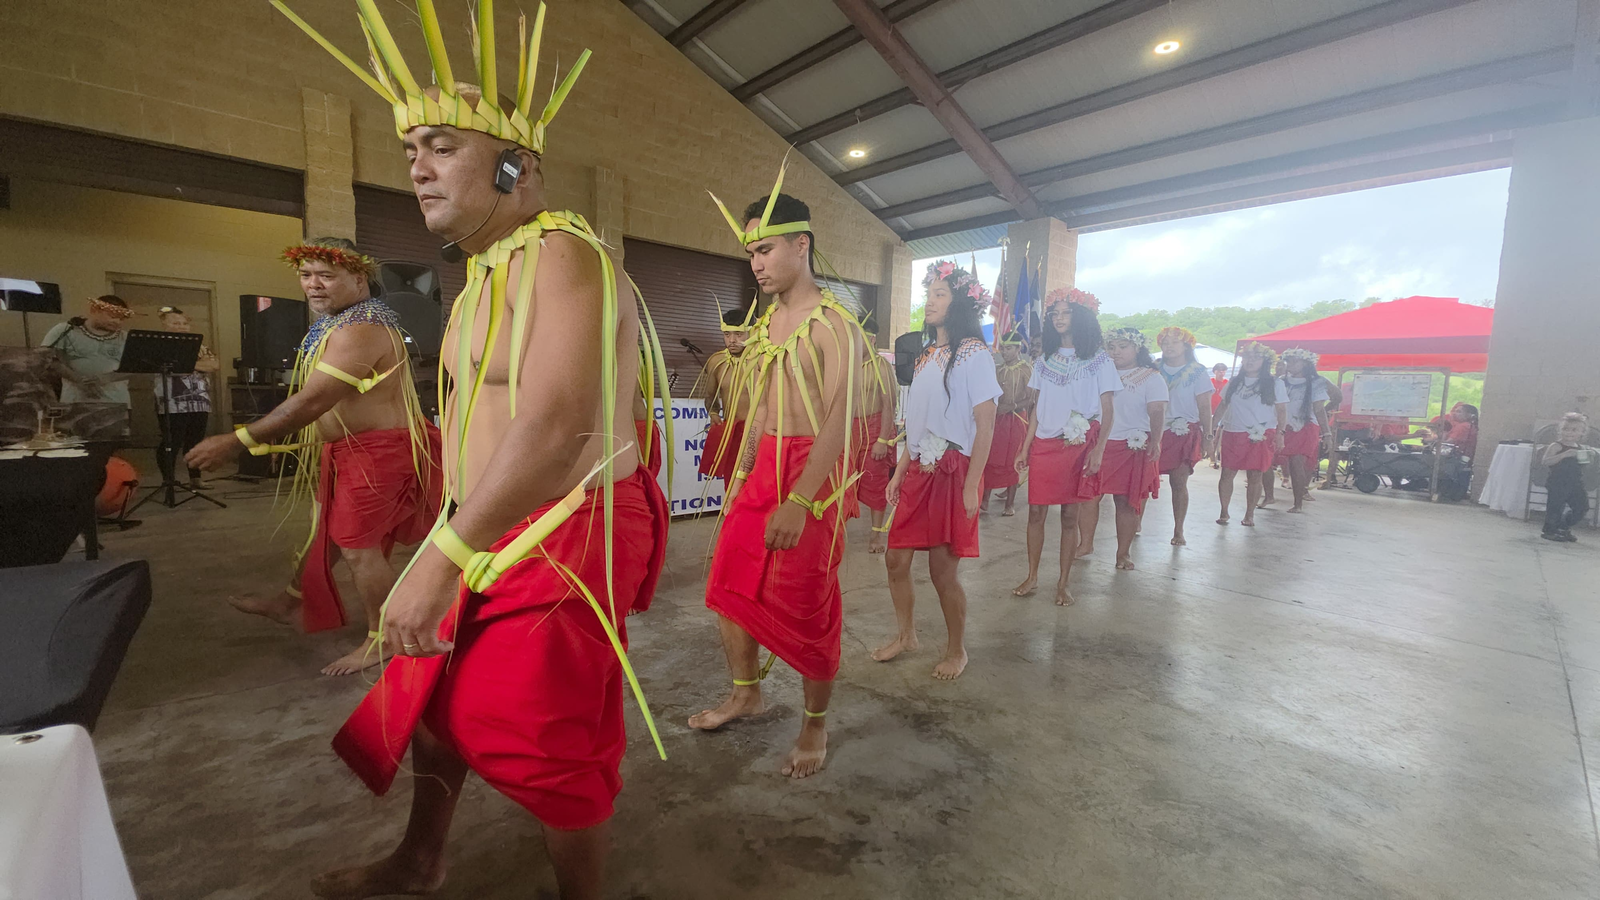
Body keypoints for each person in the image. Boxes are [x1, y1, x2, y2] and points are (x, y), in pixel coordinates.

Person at [270, 4, 672, 896]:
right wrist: (451, 530)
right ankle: (421, 858)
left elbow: (559, 424)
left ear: (515, 164)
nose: (417, 166)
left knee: (539, 735)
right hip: (494, 519)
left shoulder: (566, 256)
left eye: (442, 145)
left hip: (567, 524)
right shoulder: (488, 272)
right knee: (430, 691)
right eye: (411, 150)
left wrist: (441, 557)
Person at [188, 238, 443, 678]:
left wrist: (235, 441)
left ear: (358, 279)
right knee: (325, 536)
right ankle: (291, 604)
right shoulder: (338, 324)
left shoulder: (361, 329)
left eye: (326, 276)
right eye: (306, 275)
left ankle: (383, 638)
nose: (313, 285)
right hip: (345, 451)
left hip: (378, 453)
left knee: (359, 549)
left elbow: (310, 403)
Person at [691, 170, 867, 779]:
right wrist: (742, 472)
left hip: (810, 476)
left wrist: (799, 499)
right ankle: (747, 692)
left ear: (802, 245)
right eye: (750, 253)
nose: (757, 265)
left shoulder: (835, 326)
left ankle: (814, 724)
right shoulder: (767, 326)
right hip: (764, 465)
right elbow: (765, 403)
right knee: (727, 585)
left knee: (808, 599)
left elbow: (841, 417)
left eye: (765, 249)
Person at [874, 260, 1000, 680]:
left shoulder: (975, 354)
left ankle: (956, 650)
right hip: (919, 468)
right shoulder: (927, 354)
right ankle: (906, 634)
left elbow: (987, 424)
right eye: (929, 294)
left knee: (942, 572)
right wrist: (899, 471)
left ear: (961, 303)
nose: (929, 302)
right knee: (895, 559)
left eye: (940, 295)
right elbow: (917, 420)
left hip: (953, 470)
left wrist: (971, 485)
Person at [1012, 288, 1119, 606]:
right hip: (1045, 445)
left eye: (1065, 313)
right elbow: (1036, 407)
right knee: (1035, 513)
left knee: (1070, 517)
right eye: (1054, 314)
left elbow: (1108, 408)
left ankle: (1063, 582)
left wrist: (1099, 449)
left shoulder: (1099, 360)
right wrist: (1025, 447)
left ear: (1081, 316)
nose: (1058, 318)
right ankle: (1032, 576)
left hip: (1079, 446)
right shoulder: (1044, 360)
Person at [1100, 328, 1167, 570]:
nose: (1115, 352)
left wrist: (1156, 441)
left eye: (1122, 346)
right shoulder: (1099, 372)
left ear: (1137, 348)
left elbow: (1157, 410)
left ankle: (1122, 553)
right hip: (1099, 443)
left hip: (1131, 445)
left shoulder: (1151, 377)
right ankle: (1084, 543)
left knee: (1125, 502)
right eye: (1112, 347)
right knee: (1087, 498)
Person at [1210, 342, 1287, 526]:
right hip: (1233, 431)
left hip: (1261, 434)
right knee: (1227, 473)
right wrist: (1211, 429)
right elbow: (1223, 405)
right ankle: (1224, 511)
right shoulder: (1235, 382)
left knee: (1255, 475)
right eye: (1247, 358)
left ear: (1265, 361)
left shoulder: (1275, 383)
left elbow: (1282, 409)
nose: (1250, 361)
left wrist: (1280, 433)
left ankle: (1249, 514)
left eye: (1255, 358)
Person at [1155, 327, 1212, 545]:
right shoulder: (1153, 369)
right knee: (1143, 479)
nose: (1168, 347)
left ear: (1186, 346)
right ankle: (1135, 521)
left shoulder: (1198, 371)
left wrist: (1208, 436)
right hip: (1155, 431)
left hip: (1183, 431)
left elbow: (1205, 406)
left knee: (1178, 482)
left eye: (1174, 343)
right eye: (1165, 343)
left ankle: (1178, 529)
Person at [153, 307, 220, 490]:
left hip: (199, 399)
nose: (182, 327)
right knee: (172, 441)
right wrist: (197, 365)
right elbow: (171, 367)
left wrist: (187, 365)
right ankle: (169, 480)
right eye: (176, 323)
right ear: (165, 325)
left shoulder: (200, 345)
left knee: (195, 440)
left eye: (184, 323)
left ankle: (195, 478)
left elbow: (214, 365)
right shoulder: (160, 344)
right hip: (172, 401)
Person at [40, 295, 135, 414]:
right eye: (113, 317)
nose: (117, 322)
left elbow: (135, 368)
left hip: (116, 403)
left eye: (121, 319)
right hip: (74, 402)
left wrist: (105, 378)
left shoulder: (125, 338)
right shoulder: (65, 330)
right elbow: (47, 359)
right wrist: (79, 380)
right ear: (94, 310)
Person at [696, 306, 753, 493]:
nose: (732, 340)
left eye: (739, 334)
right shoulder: (716, 361)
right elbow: (710, 396)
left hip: (758, 433)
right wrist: (713, 412)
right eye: (727, 334)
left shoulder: (763, 360)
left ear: (751, 332)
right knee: (732, 487)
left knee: (759, 490)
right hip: (732, 431)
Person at [858, 324, 899, 553]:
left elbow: (889, 404)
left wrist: (882, 439)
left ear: (872, 340)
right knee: (843, 485)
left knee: (875, 484)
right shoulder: (847, 364)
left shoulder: (881, 366)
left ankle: (876, 534)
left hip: (874, 430)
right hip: (850, 434)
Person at [982, 331, 1032, 517]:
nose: (1005, 352)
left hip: (1017, 420)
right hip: (998, 420)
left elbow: (1033, 398)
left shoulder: (1026, 370)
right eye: (1002, 348)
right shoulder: (998, 369)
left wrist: (1013, 406)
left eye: (1009, 348)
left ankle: (1009, 504)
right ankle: (984, 500)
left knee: (1013, 460)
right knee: (990, 458)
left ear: (1019, 348)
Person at [1275, 348, 1331, 512]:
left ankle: (1298, 503)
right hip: (1283, 425)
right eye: (1288, 361)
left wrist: (1327, 433)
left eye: (1294, 361)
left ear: (1306, 363)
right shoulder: (1281, 380)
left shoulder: (1316, 382)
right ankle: (1268, 496)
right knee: (1271, 462)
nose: (1290, 365)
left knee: (1296, 463)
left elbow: (1319, 409)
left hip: (1305, 427)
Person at [1541, 412, 1592, 542]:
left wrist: (1587, 458)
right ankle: (1549, 531)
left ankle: (1563, 526)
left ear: (1582, 433)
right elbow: (1546, 461)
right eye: (1565, 429)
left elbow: (1582, 466)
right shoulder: (1556, 446)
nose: (1569, 432)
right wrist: (1564, 454)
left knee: (1582, 506)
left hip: (1575, 483)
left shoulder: (1580, 448)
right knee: (1555, 508)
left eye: (1574, 430)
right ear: (1560, 430)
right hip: (1558, 482)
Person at [1208, 362, 1229, 468]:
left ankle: (1218, 457)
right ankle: (1212, 459)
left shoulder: (1227, 383)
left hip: (1222, 413)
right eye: (1219, 370)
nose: (1221, 373)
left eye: (1223, 370)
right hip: (1210, 412)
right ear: (1214, 371)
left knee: (1218, 436)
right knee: (1210, 435)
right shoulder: (1210, 382)